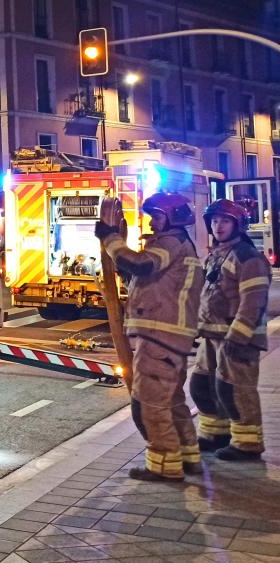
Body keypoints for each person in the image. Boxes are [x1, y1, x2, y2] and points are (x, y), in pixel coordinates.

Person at [95, 193, 205, 482]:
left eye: (157, 216)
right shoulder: (179, 244)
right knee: (172, 400)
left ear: (173, 218)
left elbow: (143, 265)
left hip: (160, 334)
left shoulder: (171, 243)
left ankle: (165, 464)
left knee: (151, 403)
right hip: (170, 337)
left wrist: (110, 240)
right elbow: (148, 277)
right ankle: (187, 454)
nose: (151, 222)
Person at [189, 199, 270, 461]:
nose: (218, 226)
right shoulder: (216, 254)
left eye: (224, 221)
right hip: (213, 334)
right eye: (214, 221)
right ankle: (216, 434)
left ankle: (248, 444)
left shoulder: (247, 257)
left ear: (238, 225)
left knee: (235, 389)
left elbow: (253, 299)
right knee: (202, 385)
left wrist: (240, 334)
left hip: (236, 338)